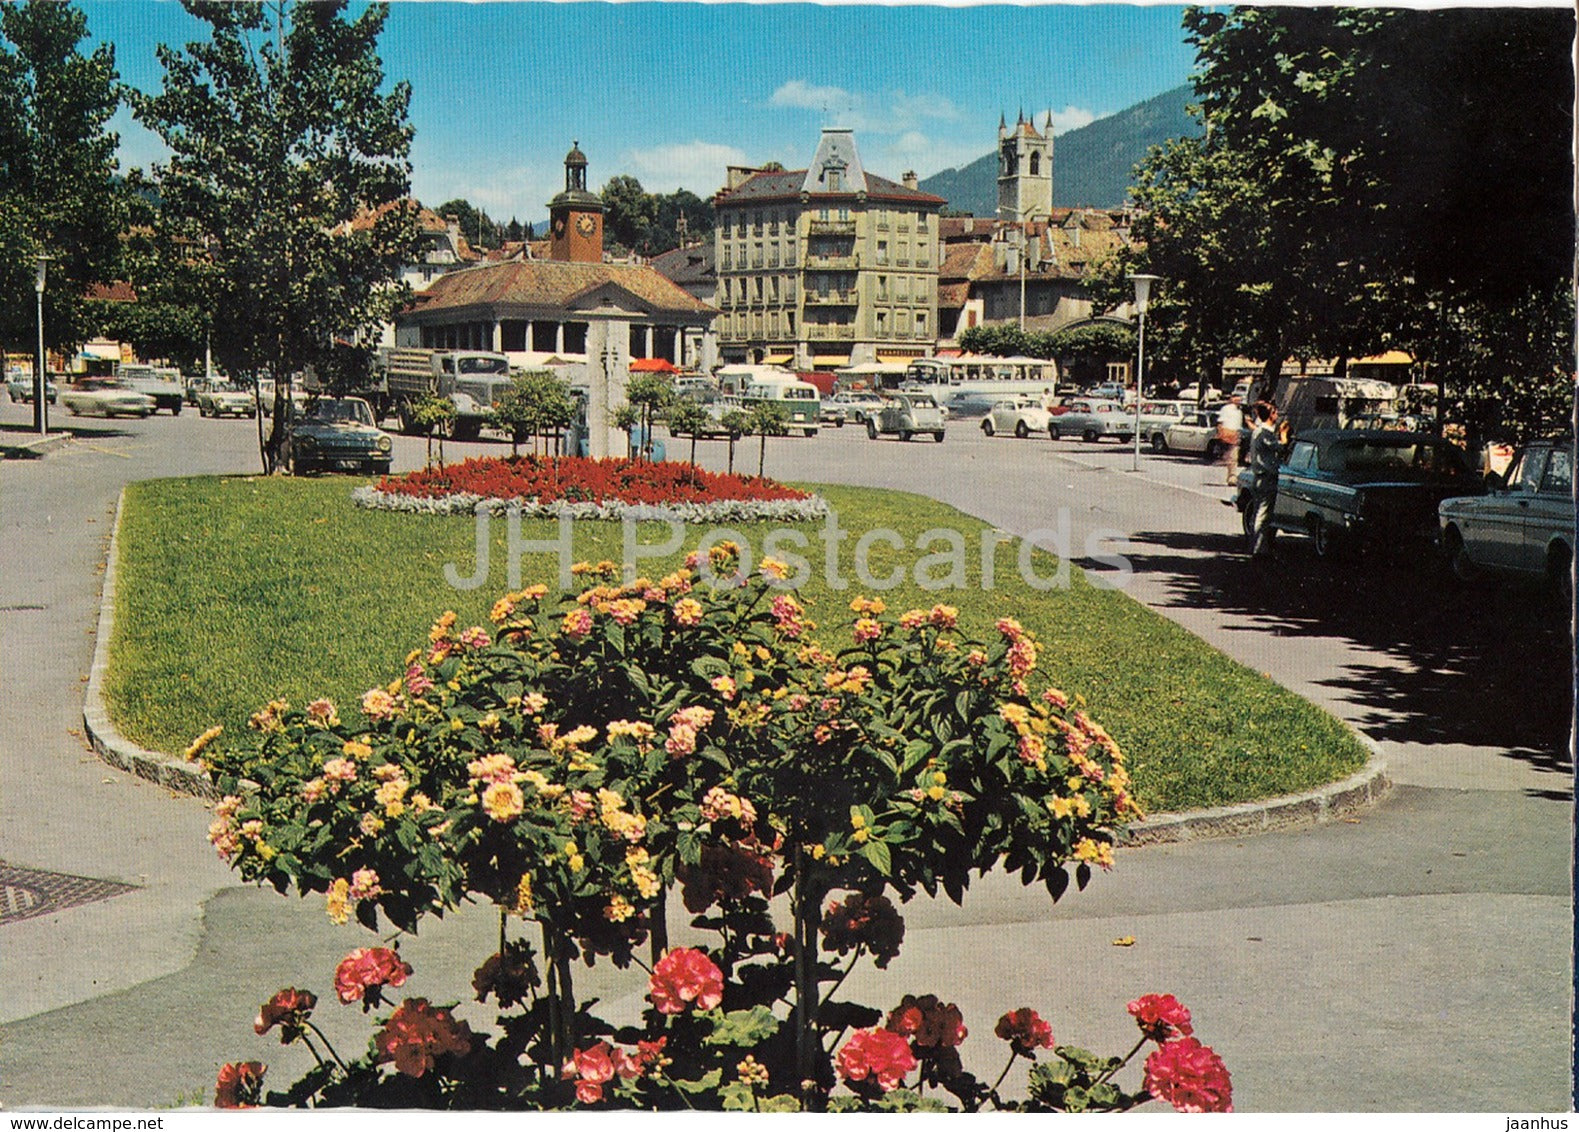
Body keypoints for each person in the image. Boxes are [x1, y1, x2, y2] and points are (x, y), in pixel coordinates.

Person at [1246, 401, 1282, 557]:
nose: (1278, 415)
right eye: (1276, 413)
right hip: (1266, 477)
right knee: (1263, 514)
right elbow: (1280, 447)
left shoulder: (1258, 431)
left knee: (1258, 513)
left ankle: (1258, 546)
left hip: (1258, 477)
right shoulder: (1265, 433)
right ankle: (1259, 549)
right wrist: (1284, 436)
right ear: (1271, 414)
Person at [1216, 394, 1245, 484]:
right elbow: (1220, 422)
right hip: (1228, 433)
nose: (1239, 400)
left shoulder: (1239, 411)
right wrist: (1221, 434)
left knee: (1233, 457)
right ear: (1231, 399)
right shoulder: (1226, 409)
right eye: (1236, 398)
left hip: (1235, 434)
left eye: (1240, 398)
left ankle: (1232, 477)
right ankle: (1232, 477)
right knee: (1232, 457)